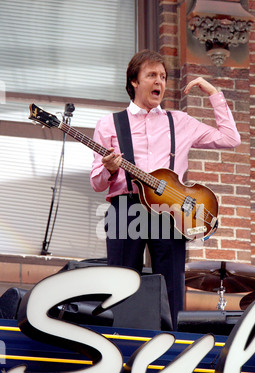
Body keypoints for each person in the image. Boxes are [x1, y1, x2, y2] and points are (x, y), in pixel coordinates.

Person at [90, 49, 240, 329]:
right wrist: (111, 169)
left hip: (169, 209)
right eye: (151, 75)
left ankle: (171, 349)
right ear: (134, 81)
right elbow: (97, 182)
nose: (159, 81)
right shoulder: (110, 123)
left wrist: (214, 93)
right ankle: (121, 344)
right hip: (126, 208)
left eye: (162, 76)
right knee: (121, 284)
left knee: (171, 288)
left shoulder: (180, 121)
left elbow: (231, 138)